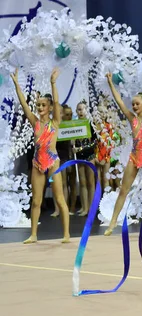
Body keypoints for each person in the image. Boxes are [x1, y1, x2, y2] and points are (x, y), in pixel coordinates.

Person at [10, 67, 70, 244]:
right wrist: (17, 85)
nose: (40, 107)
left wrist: (53, 83)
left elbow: (57, 101)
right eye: (39, 105)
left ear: (50, 108)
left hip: (52, 161)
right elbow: (24, 105)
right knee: (36, 201)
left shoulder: (55, 122)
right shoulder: (35, 122)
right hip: (38, 163)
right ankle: (34, 234)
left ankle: (66, 234)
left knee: (59, 199)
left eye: (44, 105)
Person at [103, 71, 142, 236]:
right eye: (133, 104)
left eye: (137, 104)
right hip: (134, 157)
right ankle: (113, 220)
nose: (134, 107)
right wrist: (110, 83)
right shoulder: (132, 119)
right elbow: (119, 101)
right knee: (123, 189)